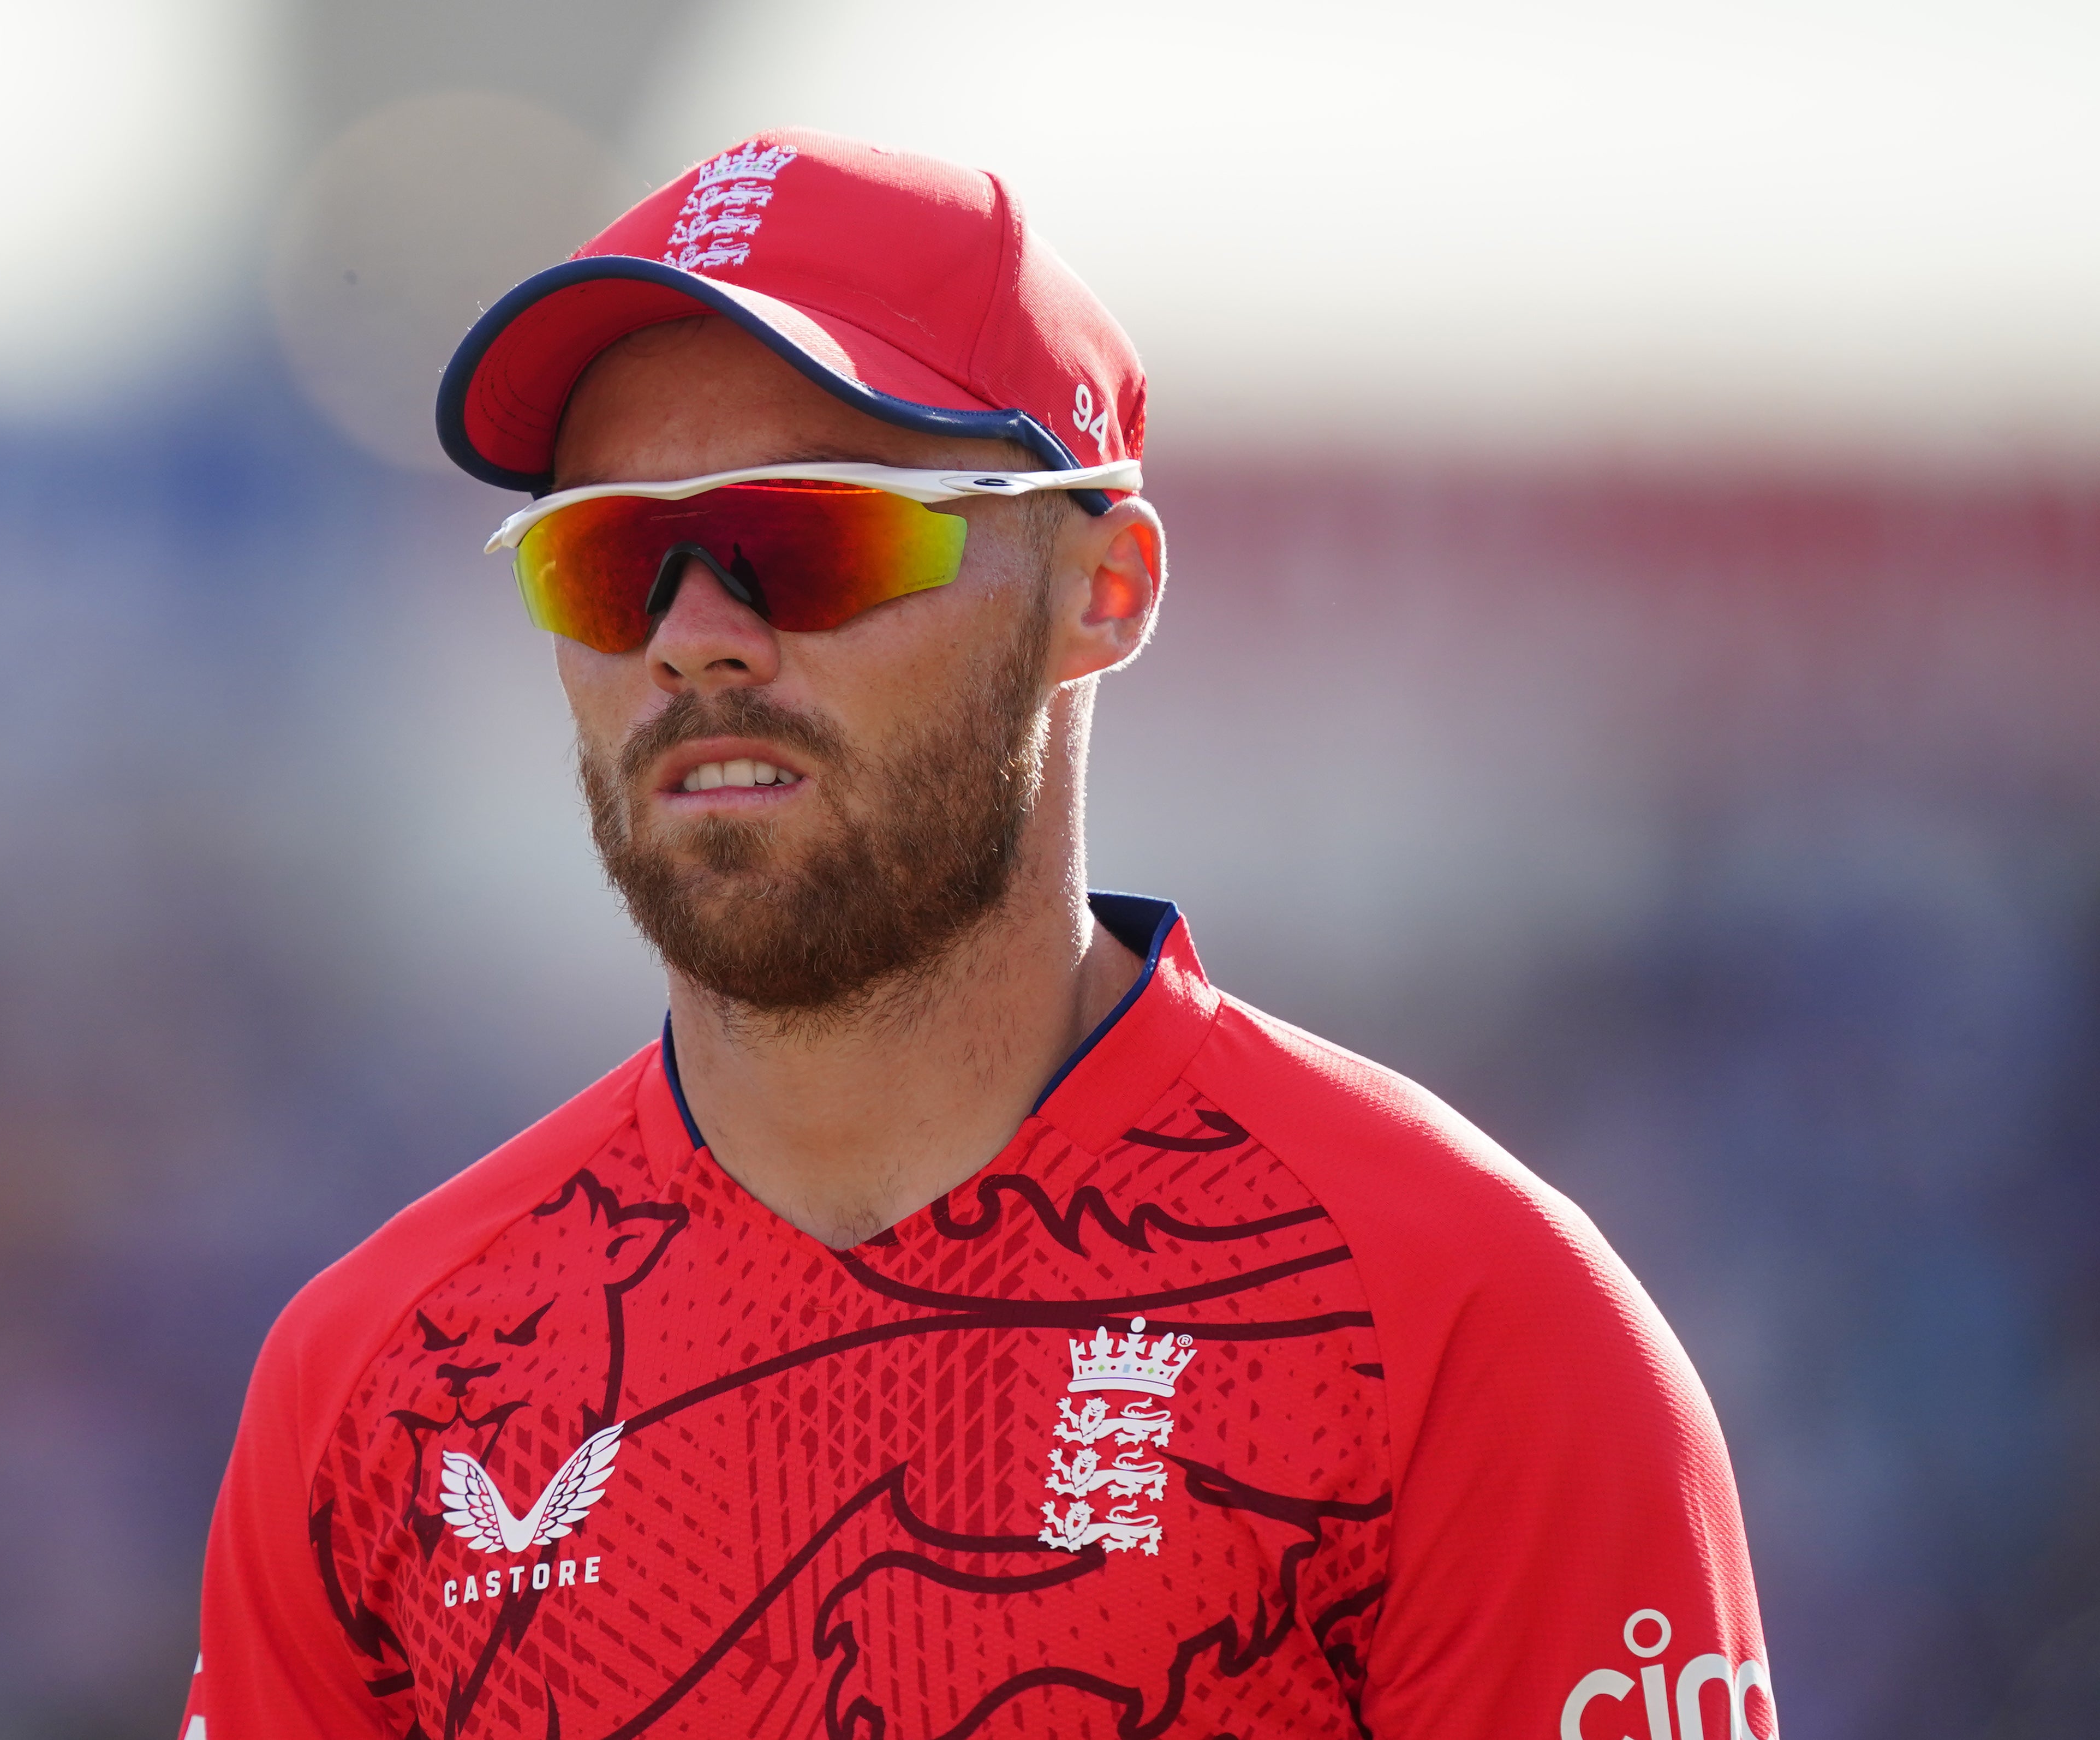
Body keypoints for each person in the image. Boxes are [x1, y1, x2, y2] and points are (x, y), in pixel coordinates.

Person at [180, 129, 1775, 1740]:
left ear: (1106, 587)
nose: (696, 640)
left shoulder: (1465, 1324)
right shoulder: (379, 1379)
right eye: (604, 562)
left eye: (811, 536)